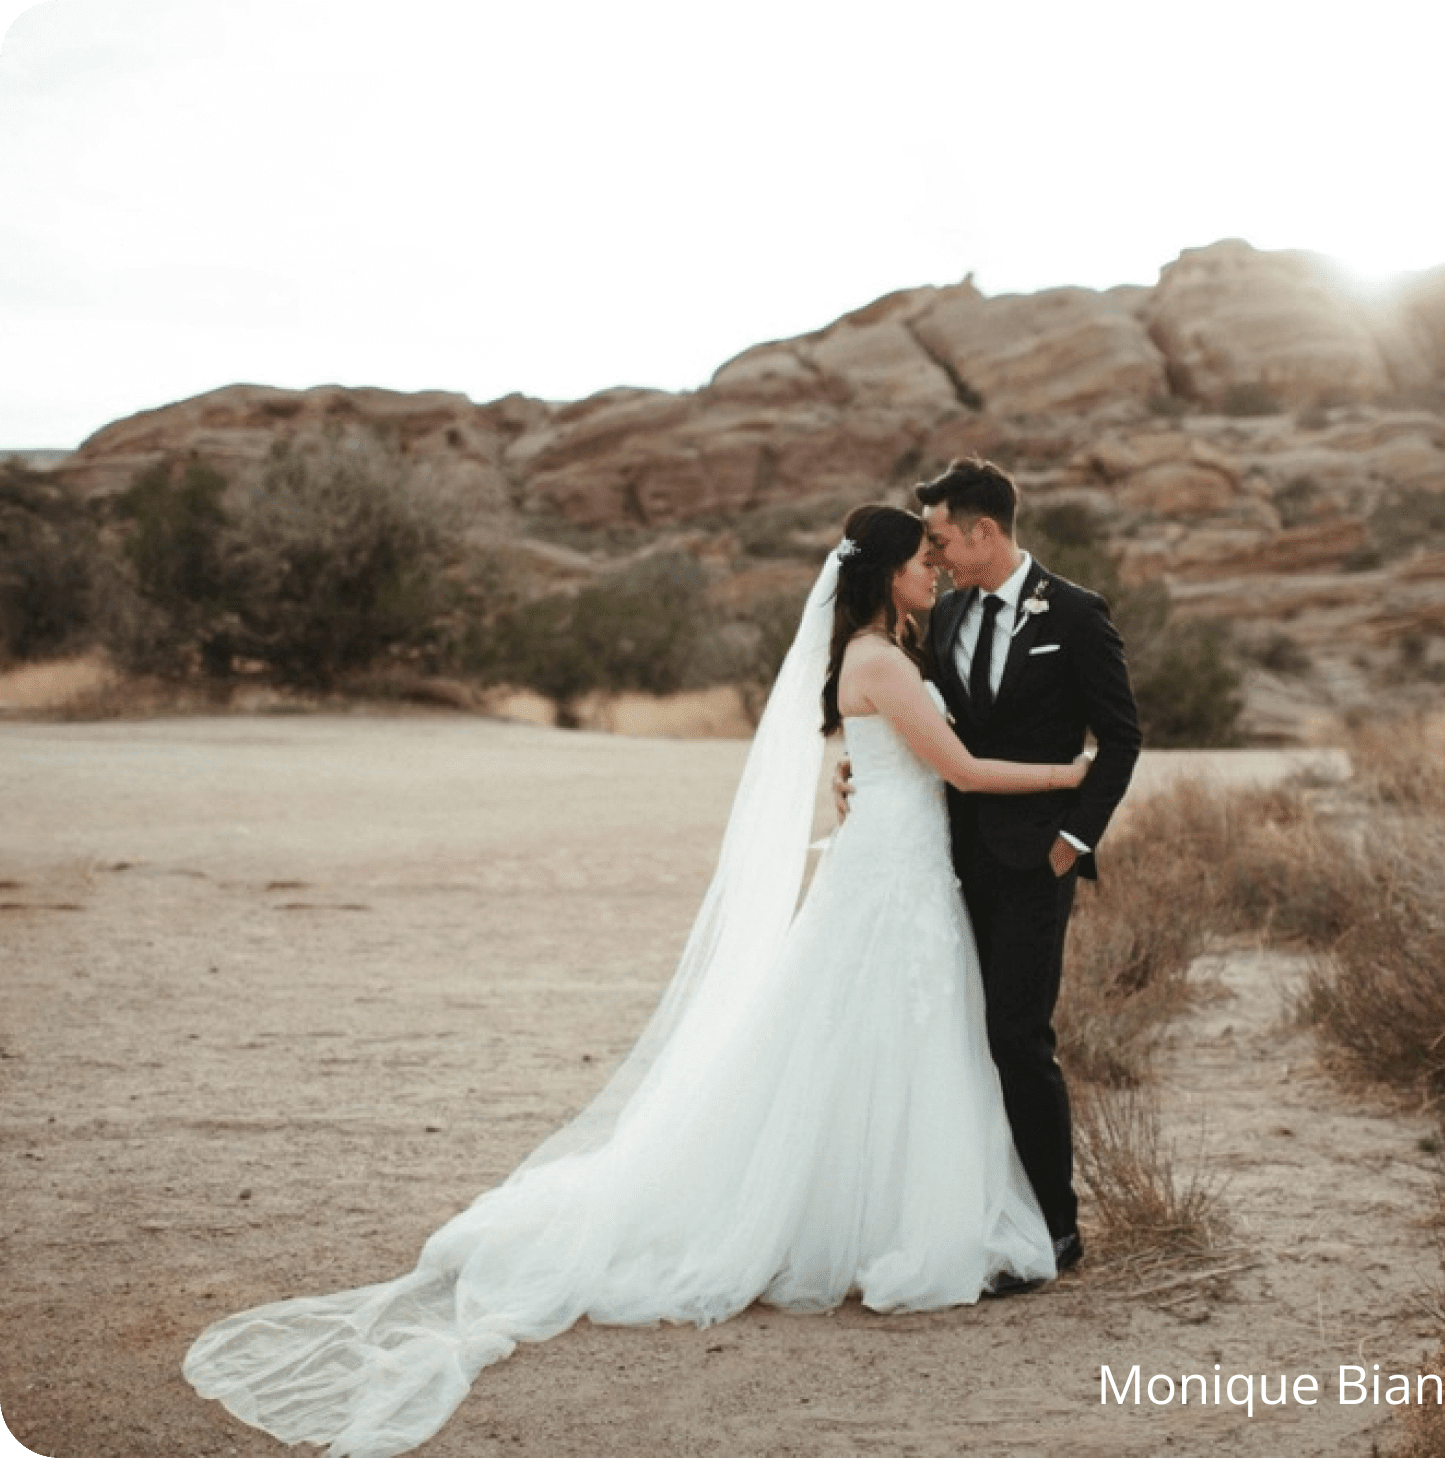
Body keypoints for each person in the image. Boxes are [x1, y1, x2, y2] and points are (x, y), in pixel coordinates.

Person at [184, 504, 1090, 1458]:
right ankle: (872, 1226)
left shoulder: (885, 654)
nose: (934, 573)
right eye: (921, 561)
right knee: (866, 1038)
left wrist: (869, 785)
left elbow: (901, 764)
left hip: (900, 870)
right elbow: (959, 768)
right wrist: (1067, 774)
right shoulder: (878, 659)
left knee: (883, 1043)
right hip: (889, 881)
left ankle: (875, 1217)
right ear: (882, 574)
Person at [900, 457, 1141, 1291]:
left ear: (983, 531)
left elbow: (1121, 737)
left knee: (1016, 1037)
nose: (933, 556)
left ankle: (1055, 1227)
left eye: (940, 540)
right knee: (957, 1036)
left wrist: (1072, 840)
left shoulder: (1073, 614)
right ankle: (974, 1210)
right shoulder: (947, 613)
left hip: (1036, 863)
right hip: (945, 860)